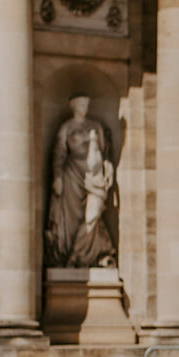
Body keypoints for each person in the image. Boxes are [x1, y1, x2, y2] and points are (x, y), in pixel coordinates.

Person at [44, 93, 117, 268]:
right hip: (71, 174)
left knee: (93, 215)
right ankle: (70, 254)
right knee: (71, 217)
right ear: (73, 106)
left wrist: (108, 168)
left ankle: (91, 254)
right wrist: (58, 177)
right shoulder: (66, 127)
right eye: (81, 104)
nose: (84, 107)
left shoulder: (95, 126)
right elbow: (59, 154)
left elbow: (104, 153)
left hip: (94, 174)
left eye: (86, 104)